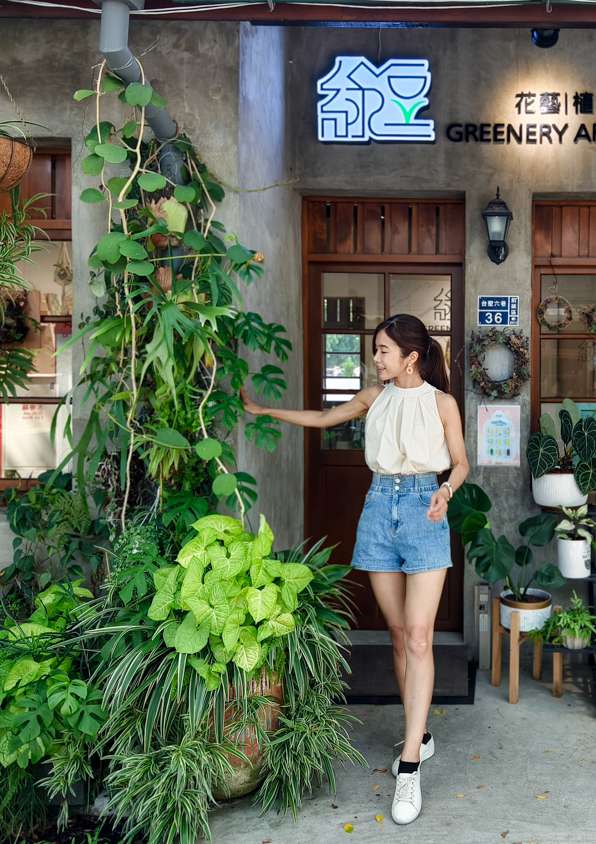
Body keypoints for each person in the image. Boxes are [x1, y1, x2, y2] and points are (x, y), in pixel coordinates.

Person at [241, 314, 468, 826]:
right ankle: (421, 733)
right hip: (378, 512)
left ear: (410, 356)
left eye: (384, 350)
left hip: (424, 509)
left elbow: (460, 461)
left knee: (418, 638)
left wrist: (446, 490)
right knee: (395, 633)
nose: (376, 358)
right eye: (376, 350)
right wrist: (263, 409)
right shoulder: (374, 398)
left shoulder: (441, 402)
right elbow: (324, 419)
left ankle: (409, 765)